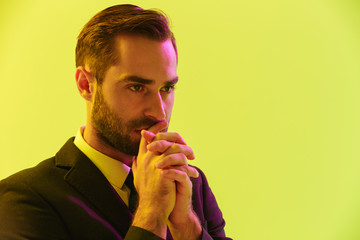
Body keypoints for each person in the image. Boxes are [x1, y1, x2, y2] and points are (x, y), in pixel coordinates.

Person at [0, 4, 231, 240]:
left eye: (167, 88)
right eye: (137, 87)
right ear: (85, 85)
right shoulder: (21, 199)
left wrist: (187, 228)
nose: (159, 112)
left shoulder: (190, 183)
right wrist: (151, 213)